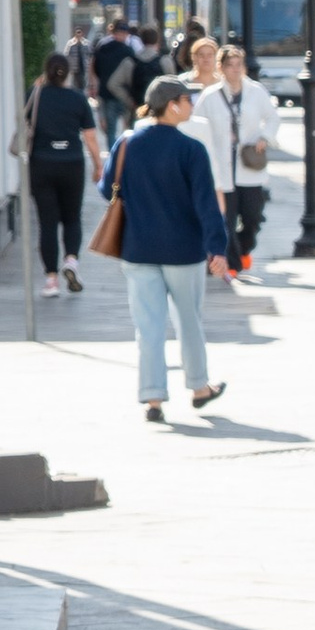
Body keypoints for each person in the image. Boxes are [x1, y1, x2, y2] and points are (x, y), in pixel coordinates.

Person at [101, 76, 232, 419]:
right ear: (172, 105)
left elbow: (106, 190)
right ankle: (199, 386)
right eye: (188, 100)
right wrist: (217, 249)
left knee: (148, 326)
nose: (191, 106)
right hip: (183, 251)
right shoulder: (190, 150)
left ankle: (153, 398)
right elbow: (207, 205)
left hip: (138, 248)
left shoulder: (127, 143)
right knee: (189, 320)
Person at [21, 50, 98, 294]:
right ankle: (71, 261)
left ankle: (51, 280)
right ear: (68, 73)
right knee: (72, 217)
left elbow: (24, 122)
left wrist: (37, 86)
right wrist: (98, 165)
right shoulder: (77, 98)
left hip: (41, 164)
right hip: (72, 163)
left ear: (46, 71)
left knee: (47, 223)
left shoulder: (35, 95)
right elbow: (90, 136)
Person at [220, 41, 278, 270]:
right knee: (228, 219)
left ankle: (244, 248)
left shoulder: (256, 91)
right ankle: (233, 263)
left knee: (253, 218)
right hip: (223, 167)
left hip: (249, 164)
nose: (235, 69)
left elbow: (273, 117)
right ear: (221, 68)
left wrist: (264, 137)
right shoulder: (212, 94)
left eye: (239, 64)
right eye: (230, 65)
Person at [181, 32, 238, 233]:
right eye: (201, 54)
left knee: (224, 201)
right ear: (193, 57)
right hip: (191, 147)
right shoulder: (183, 84)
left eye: (210, 54)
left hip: (221, 150)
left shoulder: (225, 86)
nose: (206, 59)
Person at [87, 14, 137, 153]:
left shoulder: (102, 47)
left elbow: (95, 69)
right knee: (129, 128)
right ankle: (126, 155)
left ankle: (114, 156)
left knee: (110, 130)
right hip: (125, 94)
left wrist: (95, 85)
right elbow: (133, 73)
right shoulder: (128, 50)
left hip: (106, 94)